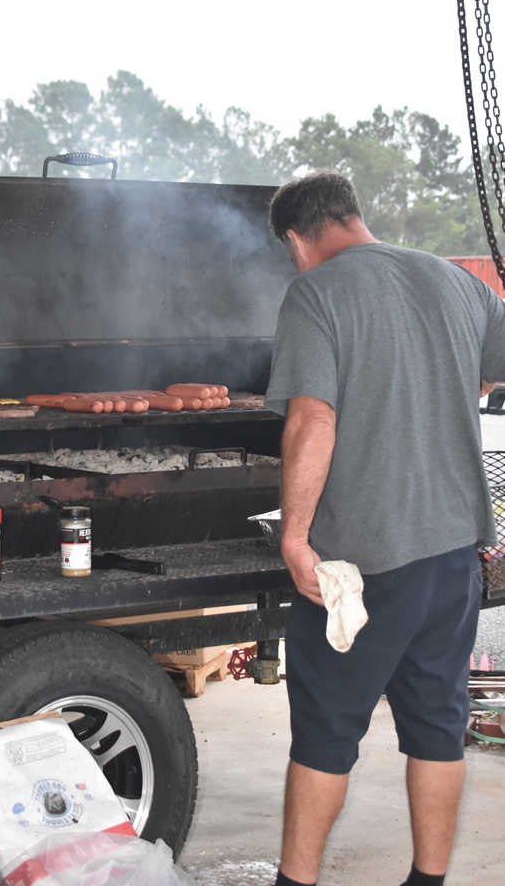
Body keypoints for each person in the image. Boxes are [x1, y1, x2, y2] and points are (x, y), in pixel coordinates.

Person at [263, 169, 505, 886]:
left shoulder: (316, 291)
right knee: (437, 726)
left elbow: (312, 419)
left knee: (325, 734)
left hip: (365, 560)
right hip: (452, 552)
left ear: (297, 239)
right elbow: (491, 373)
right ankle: (426, 881)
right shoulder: (456, 281)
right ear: (352, 214)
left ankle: (293, 883)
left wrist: (294, 536)